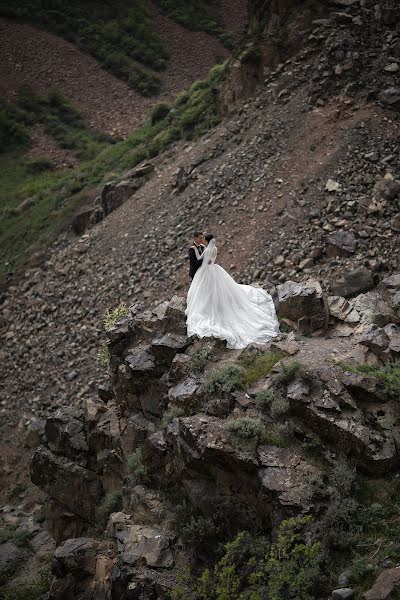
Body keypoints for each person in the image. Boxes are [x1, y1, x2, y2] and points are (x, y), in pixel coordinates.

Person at [186, 234, 279, 349]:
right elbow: (202, 261)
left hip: (207, 271)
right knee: (218, 289)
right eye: (200, 238)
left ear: (206, 240)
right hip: (214, 269)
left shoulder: (206, 249)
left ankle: (210, 307)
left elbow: (201, 260)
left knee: (207, 290)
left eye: (203, 239)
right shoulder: (213, 248)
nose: (202, 240)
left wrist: (205, 261)